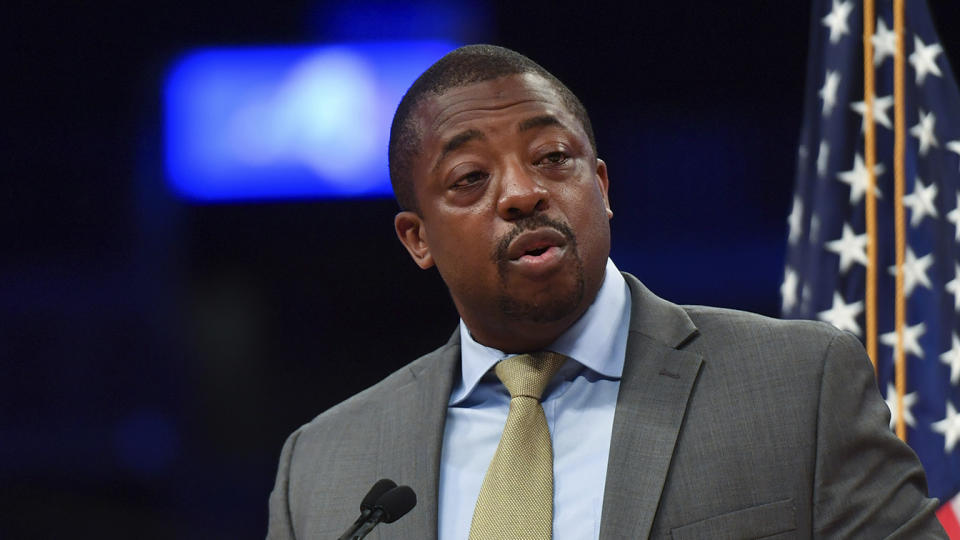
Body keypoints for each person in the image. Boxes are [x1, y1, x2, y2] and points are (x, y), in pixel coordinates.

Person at [267, 44, 946, 539]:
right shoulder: (325, 466)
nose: (524, 192)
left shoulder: (798, 387)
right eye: (471, 177)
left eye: (553, 158)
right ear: (416, 238)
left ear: (603, 187)